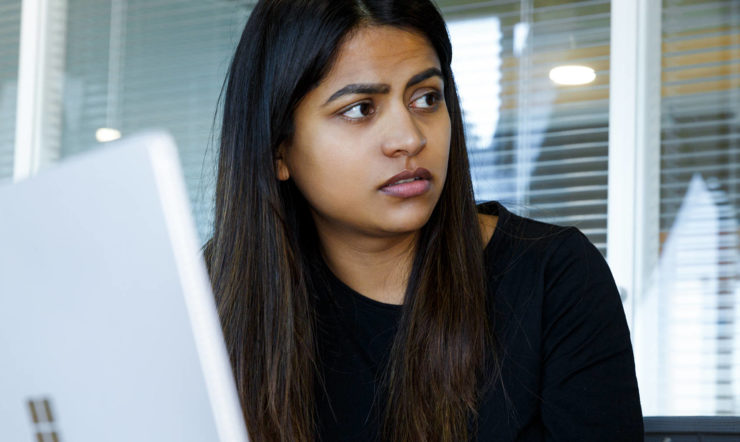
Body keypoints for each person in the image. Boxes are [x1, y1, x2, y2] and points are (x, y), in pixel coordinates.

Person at [204, 0, 644, 440]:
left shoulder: (555, 278)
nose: (410, 138)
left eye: (426, 98)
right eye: (360, 108)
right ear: (278, 149)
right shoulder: (212, 295)